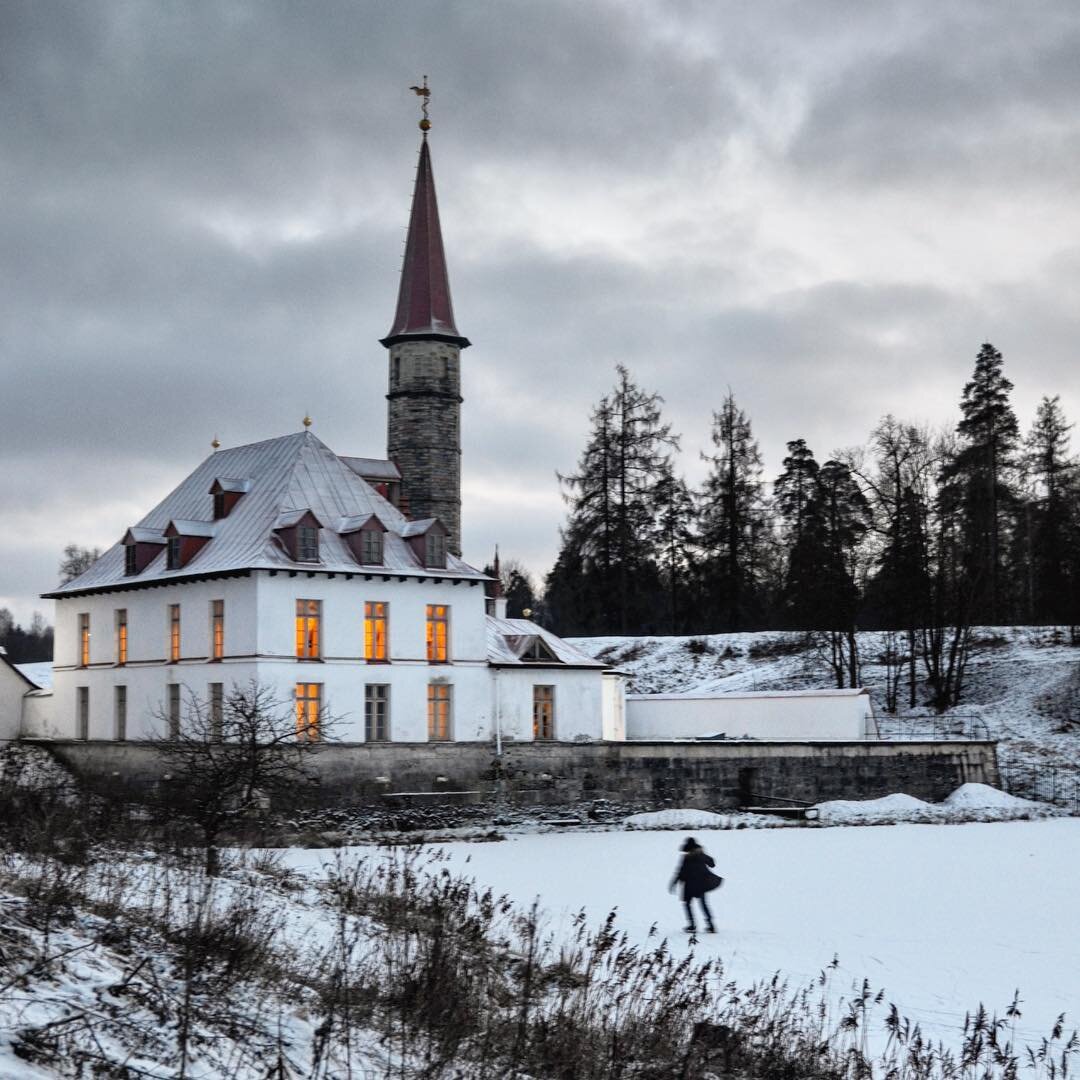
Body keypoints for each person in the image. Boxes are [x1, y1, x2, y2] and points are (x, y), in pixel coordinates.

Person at [669, 836, 723, 933]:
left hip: (691, 885)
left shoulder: (688, 858)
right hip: (699, 885)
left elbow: (680, 872)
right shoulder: (699, 855)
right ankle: (710, 926)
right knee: (701, 905)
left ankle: (692, 925)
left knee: (688, 904)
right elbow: (712, 863)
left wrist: (674, 883)